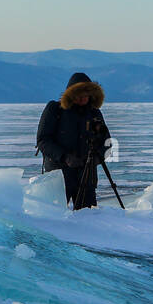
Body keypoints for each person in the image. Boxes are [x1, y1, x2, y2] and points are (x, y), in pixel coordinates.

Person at [36, 72, 110, 209]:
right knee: (54, 216)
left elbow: (107, 143)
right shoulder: (55, 109)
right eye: (78, 95)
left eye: (85, 95)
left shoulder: (94, 113)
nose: (82, 99)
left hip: (86, 175)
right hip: (58, 175)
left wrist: (95, 159)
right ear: (70, 95)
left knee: (88, 218)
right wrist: (65, 157)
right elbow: (42, 140)